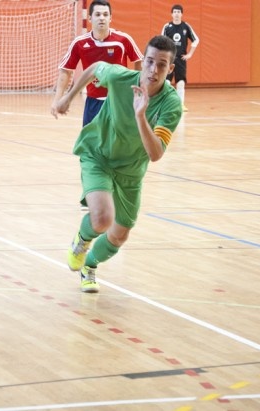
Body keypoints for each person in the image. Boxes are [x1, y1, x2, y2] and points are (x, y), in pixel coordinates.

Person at [54, 35, 182, 293]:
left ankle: (89, 266)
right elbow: (92, 69)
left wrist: (140, 115)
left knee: (119, 235)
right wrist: (68, 97)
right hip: (98, 154)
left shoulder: (171, 104)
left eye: (162, 64)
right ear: (142, 62)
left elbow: (156, 154)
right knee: (102, 218)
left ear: (170, 69)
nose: (153, 70)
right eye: (149, 62)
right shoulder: (119, 77)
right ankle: (82, 240)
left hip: (131, 171)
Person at [51, 0, 143, 126]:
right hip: (93, 102)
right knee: (90, 142)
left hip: (118, 102)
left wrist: (137, 89)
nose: (102, 18)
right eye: (98, 14)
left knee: (117, 143)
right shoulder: (80, 43)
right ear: (90, 18)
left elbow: (139, 60)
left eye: (105, 15)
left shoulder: (123, 39)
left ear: (110, 18)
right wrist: (57, 100)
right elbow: (65, 70)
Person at [161, 4, 199, 112]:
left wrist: (190, 54)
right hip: (169, 59)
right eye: (175, 12)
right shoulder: (167, 27)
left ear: (182, 14)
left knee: (180, 82)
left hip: (181, 59)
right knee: (166, 82)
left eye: (179, 12)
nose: (177, 14)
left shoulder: (186, 27)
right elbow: (161, 42)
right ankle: (164, 104)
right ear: (171, 14)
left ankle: (180, 104)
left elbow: (196, 40)